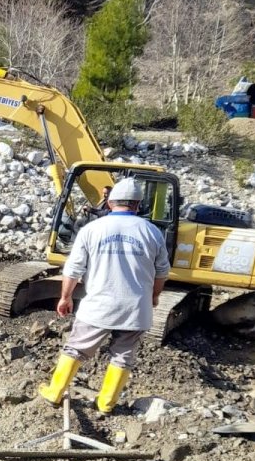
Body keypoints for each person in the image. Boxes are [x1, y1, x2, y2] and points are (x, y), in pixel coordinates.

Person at [38, 177, 171, 414]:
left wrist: (65, 297)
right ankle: (106, 404)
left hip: (99, 306)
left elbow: (73, 269)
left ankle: (55, 392)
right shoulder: (153, 232)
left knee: (76, 349)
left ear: (109, 203)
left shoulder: (92, 229)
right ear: (138, 205)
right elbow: (162, 272)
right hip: (136, 308)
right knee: (123, 355)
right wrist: (154, 296)